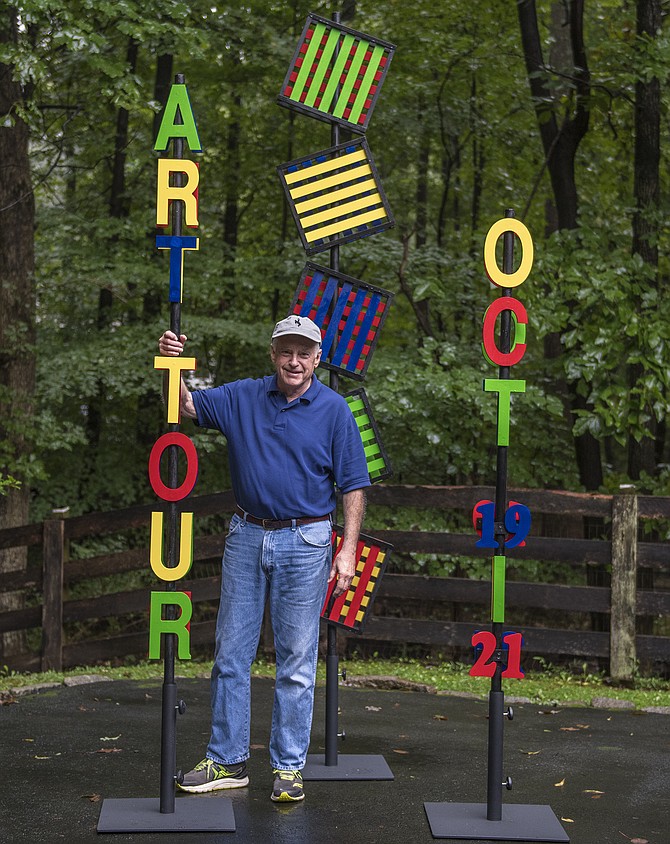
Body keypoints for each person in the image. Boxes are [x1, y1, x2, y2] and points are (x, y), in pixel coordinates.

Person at [157, 315, 370, 803]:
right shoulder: (243, 397)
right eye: (285, 351)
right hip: (247, 535)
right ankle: (228, 759)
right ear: (273, 354)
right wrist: (171, 365)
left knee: (296, 659)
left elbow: (354, 483)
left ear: (318, 358)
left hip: (309, 540)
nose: (294, 361)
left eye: (304, 352)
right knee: (231, 653)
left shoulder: (335, 411)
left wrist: (349, 551)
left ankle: (289, 767)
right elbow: (186, 405)